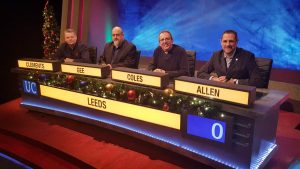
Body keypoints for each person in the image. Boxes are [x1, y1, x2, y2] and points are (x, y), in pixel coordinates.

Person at [198, 30, 263, 87]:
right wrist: (215, 79)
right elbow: (200, 73)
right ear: (221, 42)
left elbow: (258, 81)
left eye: (231, 41)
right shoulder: (216, 55)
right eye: (225, 41)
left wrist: (235, 82)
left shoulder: (247, 56)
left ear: (236, 42)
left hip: (240, 93)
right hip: (222, 92)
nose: (227, 44)